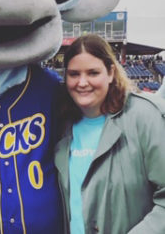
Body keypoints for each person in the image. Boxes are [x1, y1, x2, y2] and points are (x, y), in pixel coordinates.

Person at [55, 34, 165, 234]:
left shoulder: (144, 117)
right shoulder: (60, 125)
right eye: (74, 74)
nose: (82, 82)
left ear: (111, 73)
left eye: (93, 73)